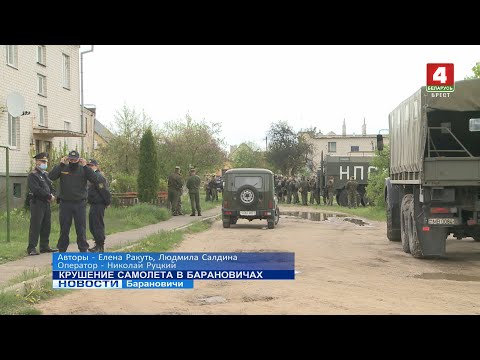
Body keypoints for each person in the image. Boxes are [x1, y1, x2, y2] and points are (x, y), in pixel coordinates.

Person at [48, 150, 101, 252]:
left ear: (78, 159)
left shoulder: (83, 169)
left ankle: (83, 251)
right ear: (68, 159)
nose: (73, 161)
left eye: (75, 159)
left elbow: (95, 179)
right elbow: (51, 176)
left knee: (81, 229)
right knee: (64, 229)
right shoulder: (63, 168)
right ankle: (62, 251)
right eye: (71, 159)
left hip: (79, 204)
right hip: (65, 204)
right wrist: (61, 164)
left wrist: (85, 166)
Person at [26, 152, 58, 255]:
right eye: (42, 161)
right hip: (37, 203)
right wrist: (48, 196)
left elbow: (51, 187)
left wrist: (52, 194)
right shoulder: (33, 175)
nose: (44, 163)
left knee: (46, 225)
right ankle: (31, 248)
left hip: (46, 203)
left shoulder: (46, 174)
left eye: (46, 161)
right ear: (37, 162)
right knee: (36, 225)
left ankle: (44, 246)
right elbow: (36, 189)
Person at [86, 159, 111, 253]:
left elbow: (104, 191)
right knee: (93, 225)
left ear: (96, 166)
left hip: (99, 204)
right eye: (88, 166)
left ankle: (100, 246)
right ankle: (97, 244)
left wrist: (107, 202)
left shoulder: (98, 176)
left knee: (98, 225)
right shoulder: (92, 177)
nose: (90, 167)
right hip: (93, 204)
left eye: (91, 166)